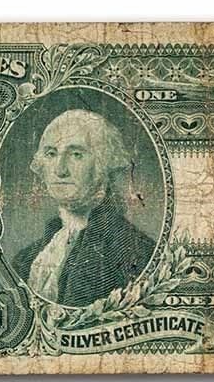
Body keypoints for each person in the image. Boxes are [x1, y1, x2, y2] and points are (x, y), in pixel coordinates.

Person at [13, 109, 156, 307]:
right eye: (51, 154)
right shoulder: (26, 258)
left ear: (104, 164)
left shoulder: (136, 252)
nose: (59, 170)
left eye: (76, 155)